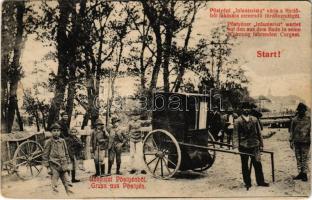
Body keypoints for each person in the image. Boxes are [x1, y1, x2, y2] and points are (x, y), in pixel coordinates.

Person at [233, 102, 269, 190]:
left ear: (250, 109)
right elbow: (235, 135)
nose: (246, 110)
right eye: (244, 108)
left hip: (255, 145)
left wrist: (261, 144)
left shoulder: (255, 119)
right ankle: (247, 182)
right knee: (245, 165)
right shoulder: (237, 121)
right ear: (242, 109)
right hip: (243, 145)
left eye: (248, 108)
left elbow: (259, 133)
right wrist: (235, 147)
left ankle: (260, 181)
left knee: (257, 163)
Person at [42, 123, 73, 195]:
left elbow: (66, 153)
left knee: (67, 182)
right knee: (54, 184)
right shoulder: (49, 142)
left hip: (63, 165)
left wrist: (68, 163)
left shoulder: (62, 141)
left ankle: (70, 195)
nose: (56, 132)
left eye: (58, 131)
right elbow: (45, 155)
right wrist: (47, 167)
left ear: (60, 132)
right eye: (54, 130)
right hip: (54, 165)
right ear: (51, 132)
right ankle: (55, 196)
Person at [289, 103, 311, 182]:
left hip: (306, 142)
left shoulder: (309, 119)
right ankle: (300, 173)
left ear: (305, 110)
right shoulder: (294, 120)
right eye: (300, 110)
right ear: (298, 111)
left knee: (304, 158)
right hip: (297, 142)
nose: (302, 112)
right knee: (298, 158)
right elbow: (291, 131)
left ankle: (304, 174)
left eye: (303, 110)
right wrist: (291, 141)